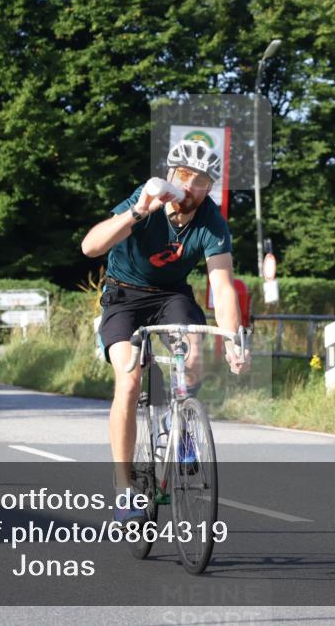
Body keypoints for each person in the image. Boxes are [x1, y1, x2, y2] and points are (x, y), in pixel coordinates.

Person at [81, 140, 250, 524]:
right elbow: (90, 247)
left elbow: (222, 286)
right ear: (170, 175)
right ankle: (124, 490)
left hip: (171, 295)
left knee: (194, 353)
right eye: (184, 176)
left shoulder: (211, 221)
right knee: (129, 379)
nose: (190, 187)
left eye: (201, 181)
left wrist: (233, 341)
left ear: (211, 187)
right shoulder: (146, 200)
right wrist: (140, 210)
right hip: (124, 296)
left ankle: (182, 425)